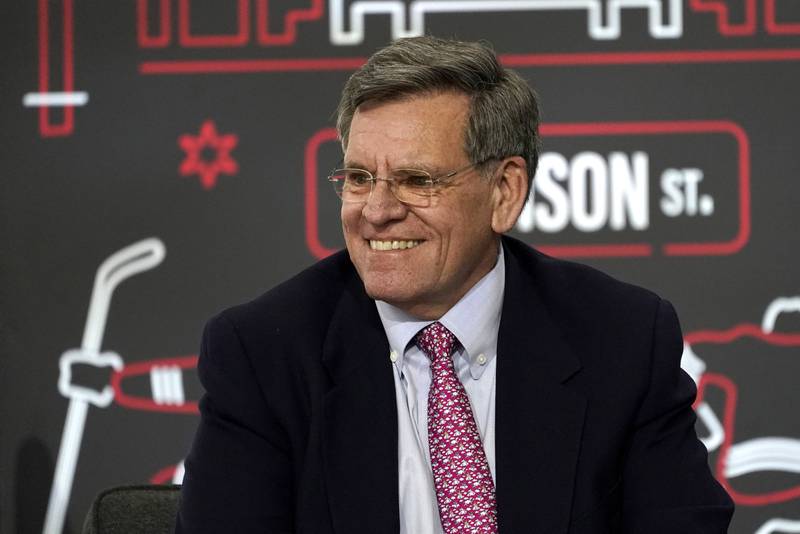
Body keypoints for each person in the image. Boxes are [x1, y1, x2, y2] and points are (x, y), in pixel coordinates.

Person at [176, 36, 733, 533]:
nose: (377, 211)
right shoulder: (264, 351)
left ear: (505, 191)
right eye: (360, 178)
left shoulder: (621, 337)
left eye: (417, 180)